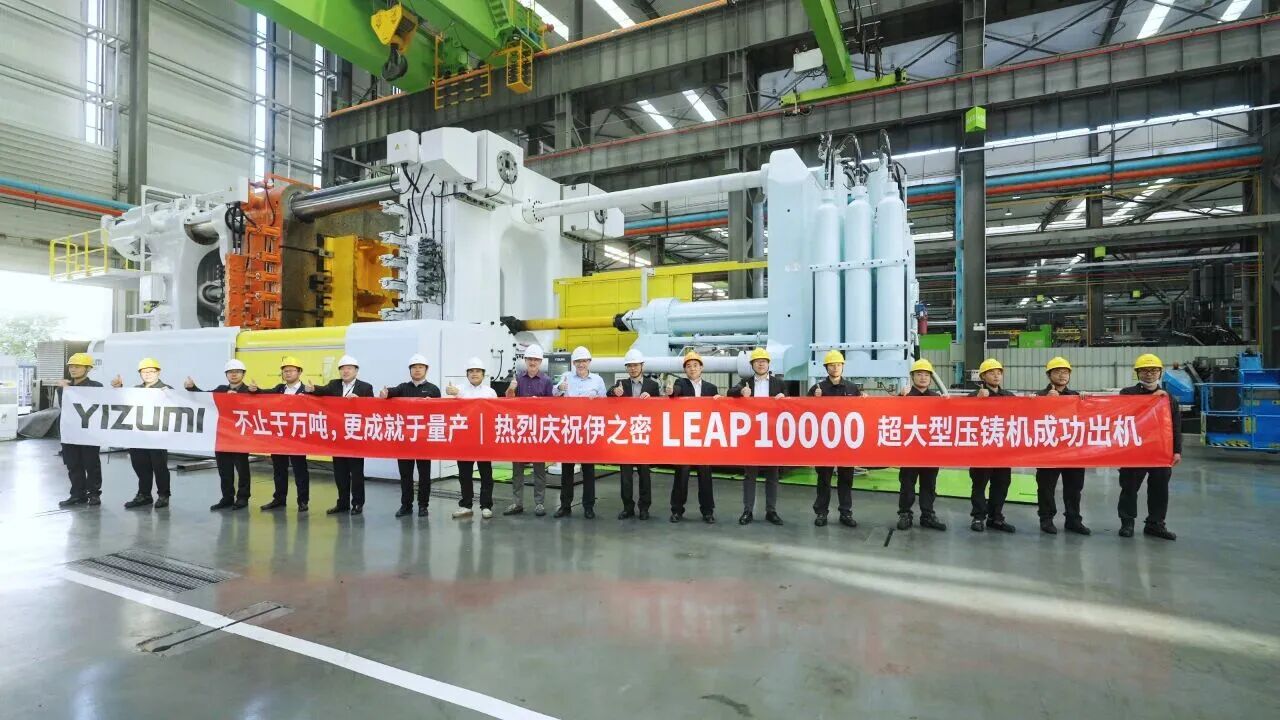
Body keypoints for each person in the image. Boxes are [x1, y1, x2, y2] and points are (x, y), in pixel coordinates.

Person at [1117, 353, 1181, 541]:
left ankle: (1156, 524)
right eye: (1145, 370)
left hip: (1160, 451)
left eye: (1153, 370)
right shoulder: (1127, 393)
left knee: (1159, 489)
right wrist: (1152, 399)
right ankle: (1127, 523)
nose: (1149, 374)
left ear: (1160, 372)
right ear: (1137, 373)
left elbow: (1176, 426)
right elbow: (1122, 415)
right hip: (1134, 450)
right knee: (1129, 488)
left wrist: (1177, 451)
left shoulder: (1169, 398)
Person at [185, 359, 259, 511]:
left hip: (240, 437)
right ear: (226, 375)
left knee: (242, 469)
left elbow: (259, 407)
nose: (234, 375)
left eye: (237, 372)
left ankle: (243, 497)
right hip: (222, 436)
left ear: (243, 374)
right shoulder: (221, 389)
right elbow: (205, 397)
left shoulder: (250, 391)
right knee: (224, 469)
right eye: (230, 372)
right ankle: (227, 497)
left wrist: (241, 396)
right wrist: (193, 388)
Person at [308, 355, 373, 515]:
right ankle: (342, 503)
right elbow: (322, 391)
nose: (345, 371)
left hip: (355, 436)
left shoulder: (365, 387)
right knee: (340, 473)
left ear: (356, 371)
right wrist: (313, 389)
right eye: (343, 368)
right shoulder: (334, 384)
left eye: (349, 368)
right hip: (338, 437)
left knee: (356, 473)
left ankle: (357, 503)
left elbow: (371, 408)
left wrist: (360, 400)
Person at [728, 347, 786, 526]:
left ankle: (771, 511)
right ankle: (748, 511)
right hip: (752, 435)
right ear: (752, 365)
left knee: (773, 474)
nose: (761, 364)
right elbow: (730, 393)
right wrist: (740, 393)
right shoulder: (745, 383)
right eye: (757, 361)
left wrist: (784, 398)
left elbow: (792, 406)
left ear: (768, 364)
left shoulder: (779, 384)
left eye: (764, 361)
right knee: (750, 475)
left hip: (772, 434)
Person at [380, 353, 441, 518]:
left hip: (423, 439)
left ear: (426, 370)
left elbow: (440, 412)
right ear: (410, 370)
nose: (417, 370)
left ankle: (423, 506)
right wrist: (385, 393)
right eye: (414, 367)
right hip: (405, 439)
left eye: (420, 367)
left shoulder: (433, 389)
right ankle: (406, 505)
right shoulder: (403, 387)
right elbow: (390, 393)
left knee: (424, 475)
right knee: (405, 474)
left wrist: (432, 404)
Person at [1034, 356, 1090, 535]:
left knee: (1074, 487)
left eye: (1065, 372)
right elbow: (1031, 418)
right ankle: (1046, 519)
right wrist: (1045, 401)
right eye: (1057, 372)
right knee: (1046, 487)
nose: (1062, 375)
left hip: (1073, 450)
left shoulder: (1076, 396)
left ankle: (1073, 520)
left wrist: (1085, 401)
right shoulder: (1038, 396)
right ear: (1049, 375)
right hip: (1049, 450)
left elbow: (1086, 418)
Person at [111, 358, 173, 509]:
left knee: (160, 467)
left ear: (158, 372)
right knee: (140, 466)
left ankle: (163, 495)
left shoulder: (167, 389)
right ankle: (144, 495)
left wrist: (170, 395)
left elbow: (177, 408)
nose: (148, 374)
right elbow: (123, 402)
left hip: (157, 437)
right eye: (144, 372)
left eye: (151, 371)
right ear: (140, 373)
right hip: (138, 436)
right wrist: (119, 389)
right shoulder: (136, 390)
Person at [555, 346, 607, 519]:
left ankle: (588, 506)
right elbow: (554, 393)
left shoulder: (598, 380)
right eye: (578, 361)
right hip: (570, 429)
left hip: (588, 430)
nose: (581, 364)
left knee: (588, 470)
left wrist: (597, 397)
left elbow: (606, 403)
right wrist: (560, 388)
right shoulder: (566, 377)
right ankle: (565, 506)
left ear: (589, 362)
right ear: (573, 363)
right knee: (567, 469)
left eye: (584, 361)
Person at [809, 350, 859, 528]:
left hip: (846, 441)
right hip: (825, 441)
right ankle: (821, 512)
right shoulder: (817, 389)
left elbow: (860, 412)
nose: (835, 367)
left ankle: (846, 512)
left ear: (842, 366)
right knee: (824, 478)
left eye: (838, 364)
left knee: (846, 478)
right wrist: (815, 400)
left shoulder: (852, 388)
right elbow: (806, 413)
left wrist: (865, 400)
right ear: (826, 368)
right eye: (832, 365)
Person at [897, 358, 946, 532]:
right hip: (910, 449)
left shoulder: (938, 398)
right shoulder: (904, 397)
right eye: (919, 374)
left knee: (929, 484)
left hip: (930, 450)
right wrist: (900, 398)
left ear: (931, 378)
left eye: (926, 375)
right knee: (907, 484)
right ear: (912, 377)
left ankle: (928, 515)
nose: (923, 377)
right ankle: (905, 514)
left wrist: (948, 403)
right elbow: (892, 416)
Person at [504, 343, 553, 517]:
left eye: (536, 360)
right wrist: (511, 388)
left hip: (538, 431)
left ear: (540, 362)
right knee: (517, 469)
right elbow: (508, 401)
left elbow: (552, 406)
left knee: (539, 470)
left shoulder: (547, 381)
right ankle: (517, 503)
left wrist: (538, 403)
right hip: (520, 430)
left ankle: (539, 504)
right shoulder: (518, 378)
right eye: (530, 359)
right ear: (525, 360)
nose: (533, 362)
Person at [669, 351, 718, 524]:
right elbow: (675, 392)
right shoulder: (681, 383)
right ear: (685, 370)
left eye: (695, 365)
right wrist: (670, 391)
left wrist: (719, 400)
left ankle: (708, 511)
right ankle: (677, 510)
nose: (692, 369)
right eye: (688, 366)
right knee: (681, 475)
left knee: (705, 476)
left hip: (704, 438)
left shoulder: (711, 389)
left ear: (701, 367)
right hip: (685, 438)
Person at [611, 348, 660, 520]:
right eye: (629, 366)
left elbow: (660, 409)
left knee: (644, 474)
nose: (632, 368)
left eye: (635, 365)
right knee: (625, 476)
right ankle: (628, 507)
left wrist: (653, 399)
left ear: (642, 366)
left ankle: (644, 508)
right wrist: (613, 392)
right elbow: (609, 395)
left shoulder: (652, 386)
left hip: (643, 435)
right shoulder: (621, 384)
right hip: (625, 436)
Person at [970, 358, 1016, 533]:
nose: (996, 376)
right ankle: (978, 517)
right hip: (981, 451)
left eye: (999, 373)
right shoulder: (973, 396)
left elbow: (1024, 414)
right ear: (983, 376)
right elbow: (962, 415)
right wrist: (977, 400)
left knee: (1001, 484)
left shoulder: (1009, 396)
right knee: (979, 485)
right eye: (991, 373)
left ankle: (995, 517)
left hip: (1003, 451)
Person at [448, 357, 498, 519]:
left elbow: (496, 413)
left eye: (477, 371)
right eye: (471, 371)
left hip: (484, 439)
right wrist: (452, 392)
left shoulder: (490, 392)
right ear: (467, 374)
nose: (474, 374)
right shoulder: (459, 390)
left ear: (483, 374)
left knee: (486, 474)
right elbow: (450, 404)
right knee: (464, 474)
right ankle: (466, 505)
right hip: (464, 439)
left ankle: (486, 506)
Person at [260, 356, 310, 513]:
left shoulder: (307, 391)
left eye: (291, 370)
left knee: (300, 470)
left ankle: (303, 501)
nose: (288, 373)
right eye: (285, 370)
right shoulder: (279, 389)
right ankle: (279, 499)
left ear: (299, 372)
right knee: (279, 469)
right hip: (279, 435)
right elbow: (263, 394)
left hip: (297, 436)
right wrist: (253, 390)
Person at [56, 353, 103, 508]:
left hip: (89, 433)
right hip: (70, 433)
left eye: (77, 366)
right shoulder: (65, 386)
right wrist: (64, 389)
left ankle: (94, 494)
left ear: (88, 369)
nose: (73, 369)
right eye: (71, 366)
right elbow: (65, 407)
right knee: (73, 464)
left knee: (91, 464)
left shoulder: (96, 387)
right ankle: (77, 495)